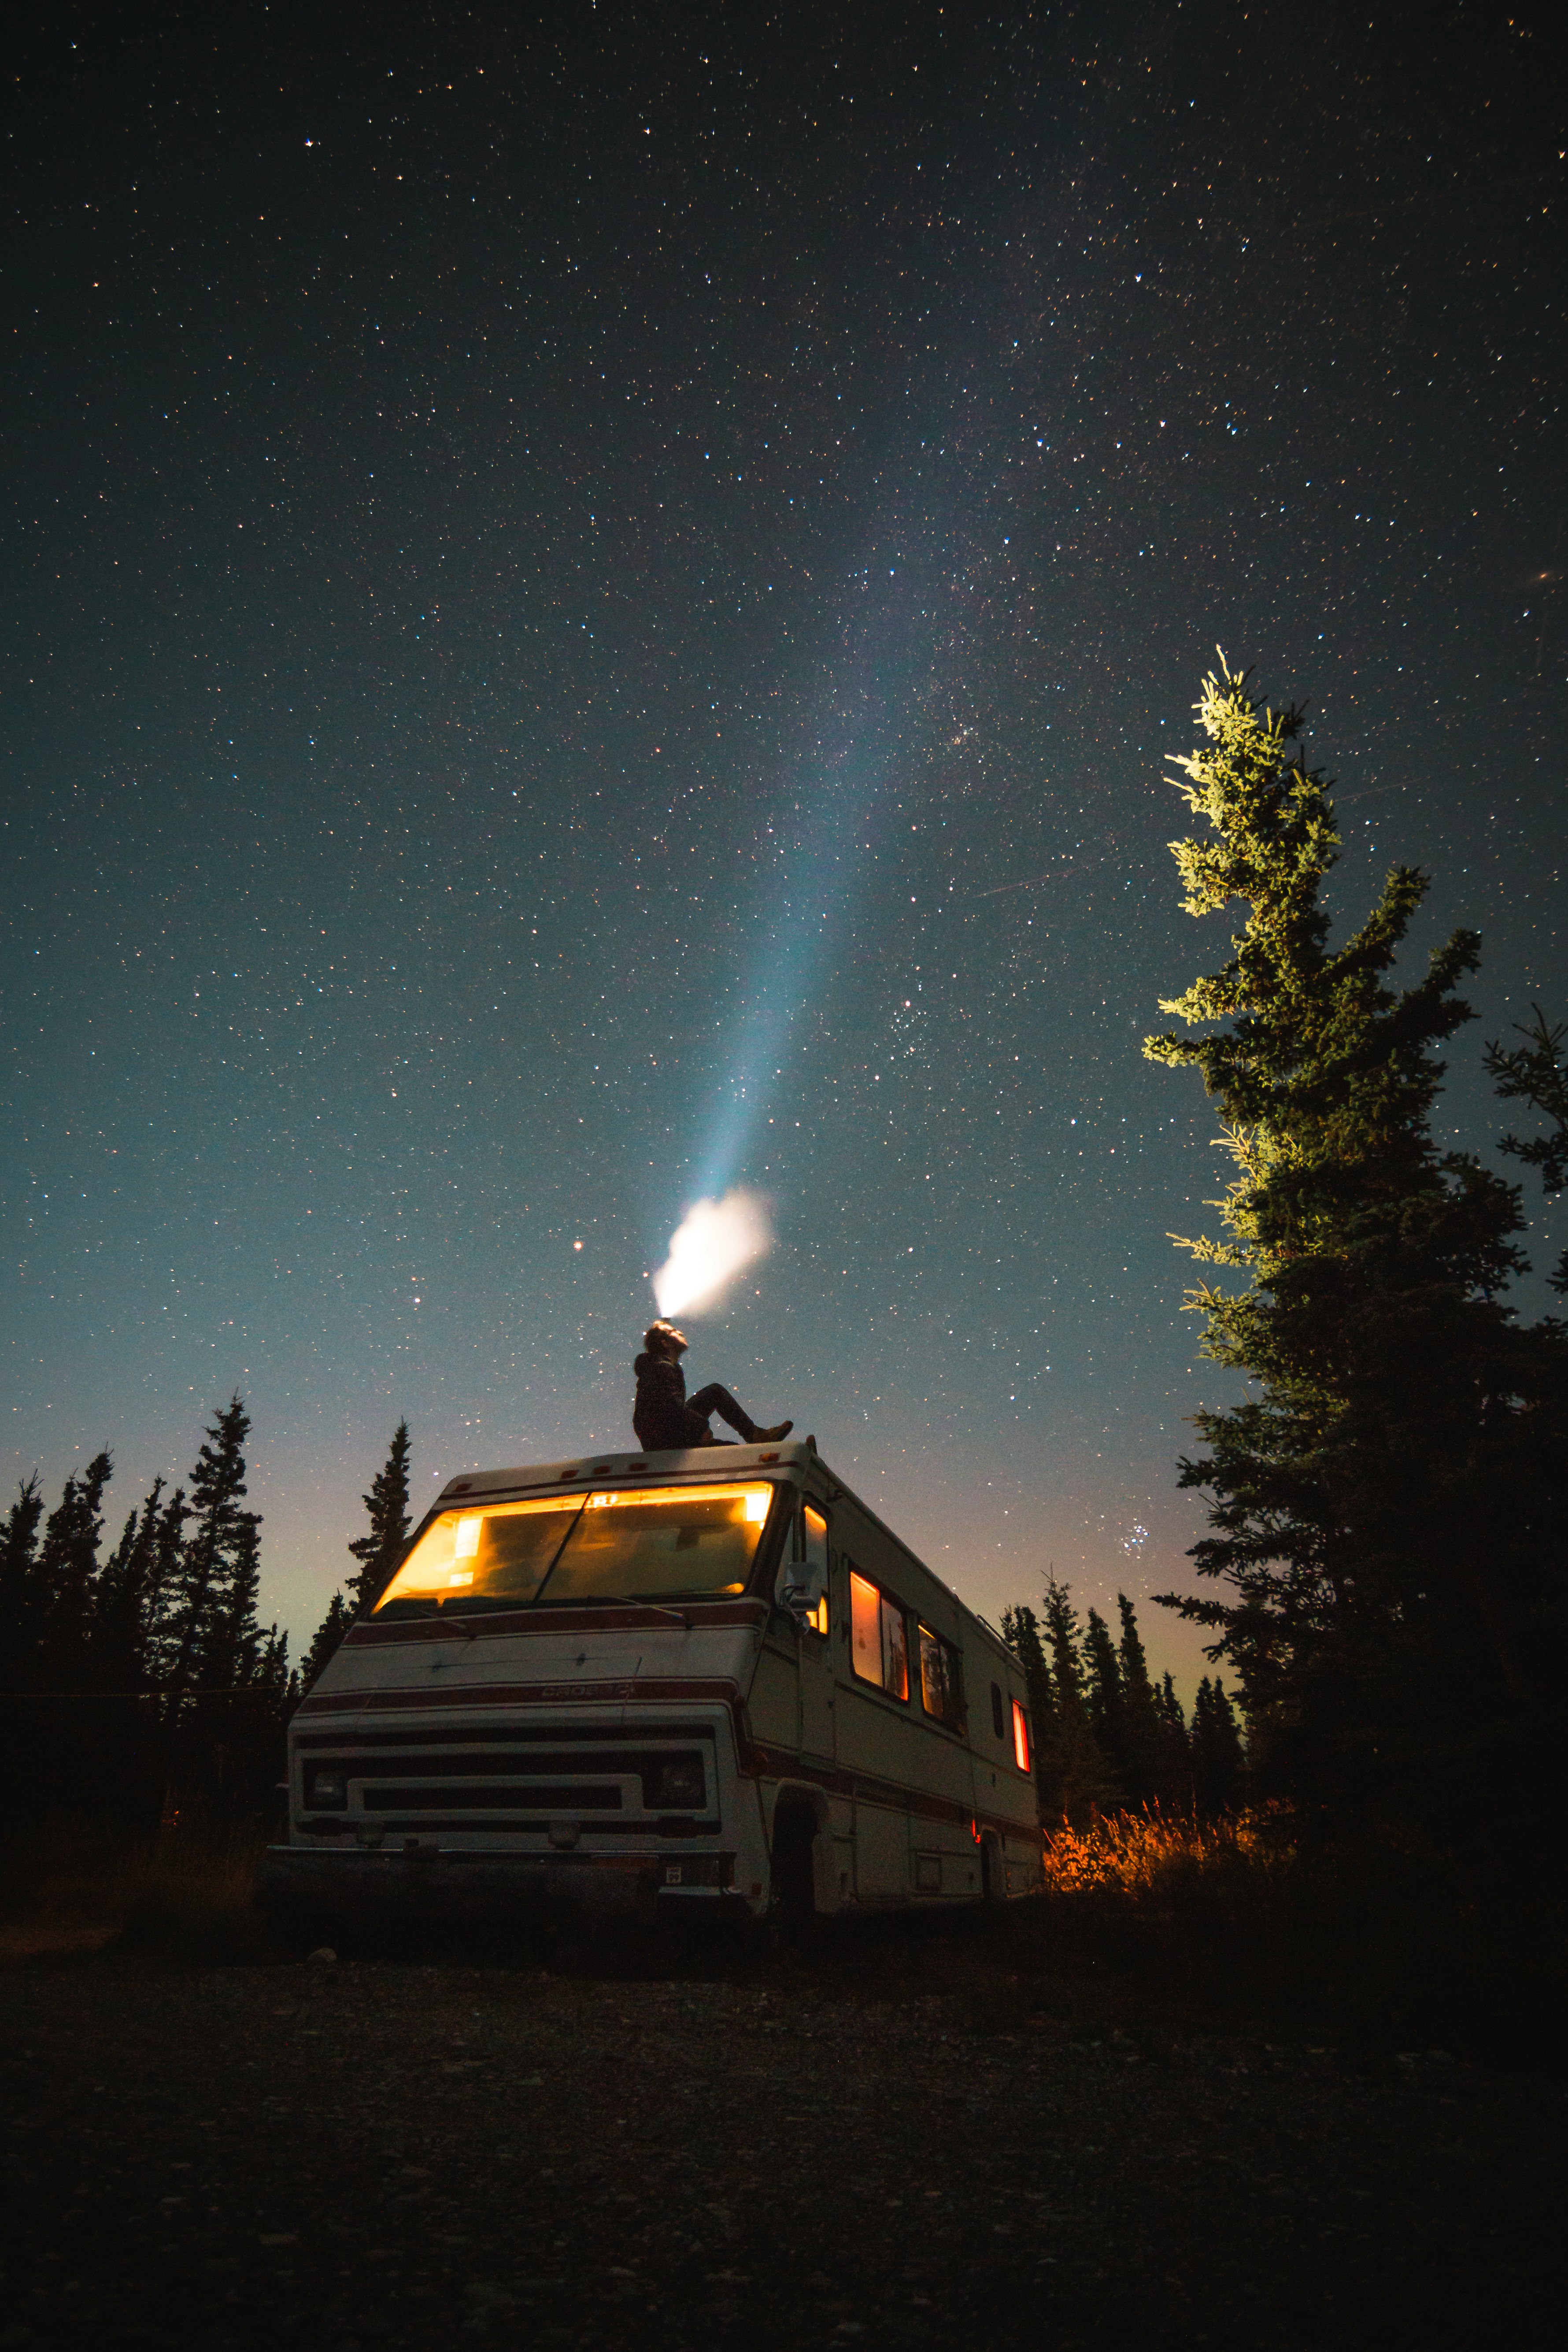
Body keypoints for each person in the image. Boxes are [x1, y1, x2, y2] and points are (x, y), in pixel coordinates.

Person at [632, 1321, 793, 1453]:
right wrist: (700, 1428)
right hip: (667, 1440)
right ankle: (757, 1436)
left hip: (665, 1436)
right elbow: (671, 1407)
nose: (680, 1332)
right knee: (736, 1452)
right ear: (665, 1343)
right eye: (673, 1331)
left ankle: (757, 1436)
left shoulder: (659, 1367)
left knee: (716, 1396)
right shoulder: (661, 1368)